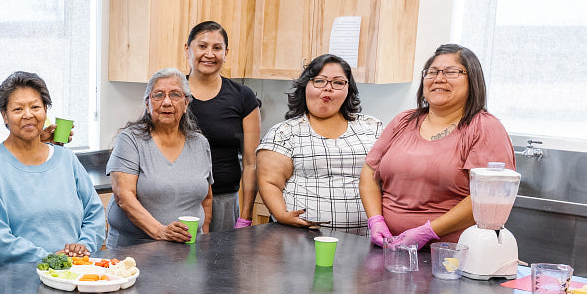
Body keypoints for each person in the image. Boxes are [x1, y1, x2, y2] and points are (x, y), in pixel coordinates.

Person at [360, 44, 516, 248]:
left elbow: (489, 198)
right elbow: (369, 174)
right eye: (432, 72)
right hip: (389, 248)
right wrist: (376, 221)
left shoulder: (484, 128)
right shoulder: (404, 121)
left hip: (449, 256)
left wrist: (428, 232)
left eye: (451, 72)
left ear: (473, 80)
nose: (439, 78)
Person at [0, 72, 105, 268]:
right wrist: (51, 260)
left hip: (73, 274)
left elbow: (94, 213)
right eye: (18, 109)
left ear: (45, 111)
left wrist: (82, 247)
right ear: (4, 115)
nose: (28, 115)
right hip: (12, 285)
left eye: (35, 107)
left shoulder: (67, 159)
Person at [256, 54, 384, 232]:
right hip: (302, 238)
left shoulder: (372, 127)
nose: (328, 88)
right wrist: (281, 214)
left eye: (338, 83)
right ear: (305, 86)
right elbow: (269, 182)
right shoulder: (284, 132)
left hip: (365, 239)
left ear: (349, 89)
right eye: (320, 81)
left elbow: (391, 178)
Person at [105, 69, 215, 249]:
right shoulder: (130, 140)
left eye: (175, 95)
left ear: (186, 103)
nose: (166, 102)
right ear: (147, 104)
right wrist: (160, 231)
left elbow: (206, 198)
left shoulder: (200, 143)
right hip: (135, 249)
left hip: (188, 247)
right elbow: (124, 196)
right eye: (158, 95)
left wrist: (204, 240)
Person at [183, 21, 262, 231]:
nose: (209, 54)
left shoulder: (243, 97)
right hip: (179, 201)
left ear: (226, 53)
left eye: (217, 48)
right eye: (202, 46)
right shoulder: (171, 93)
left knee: (222, 263)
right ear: (187, 49)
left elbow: (251, 161)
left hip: (224, 201)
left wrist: (245, 217)